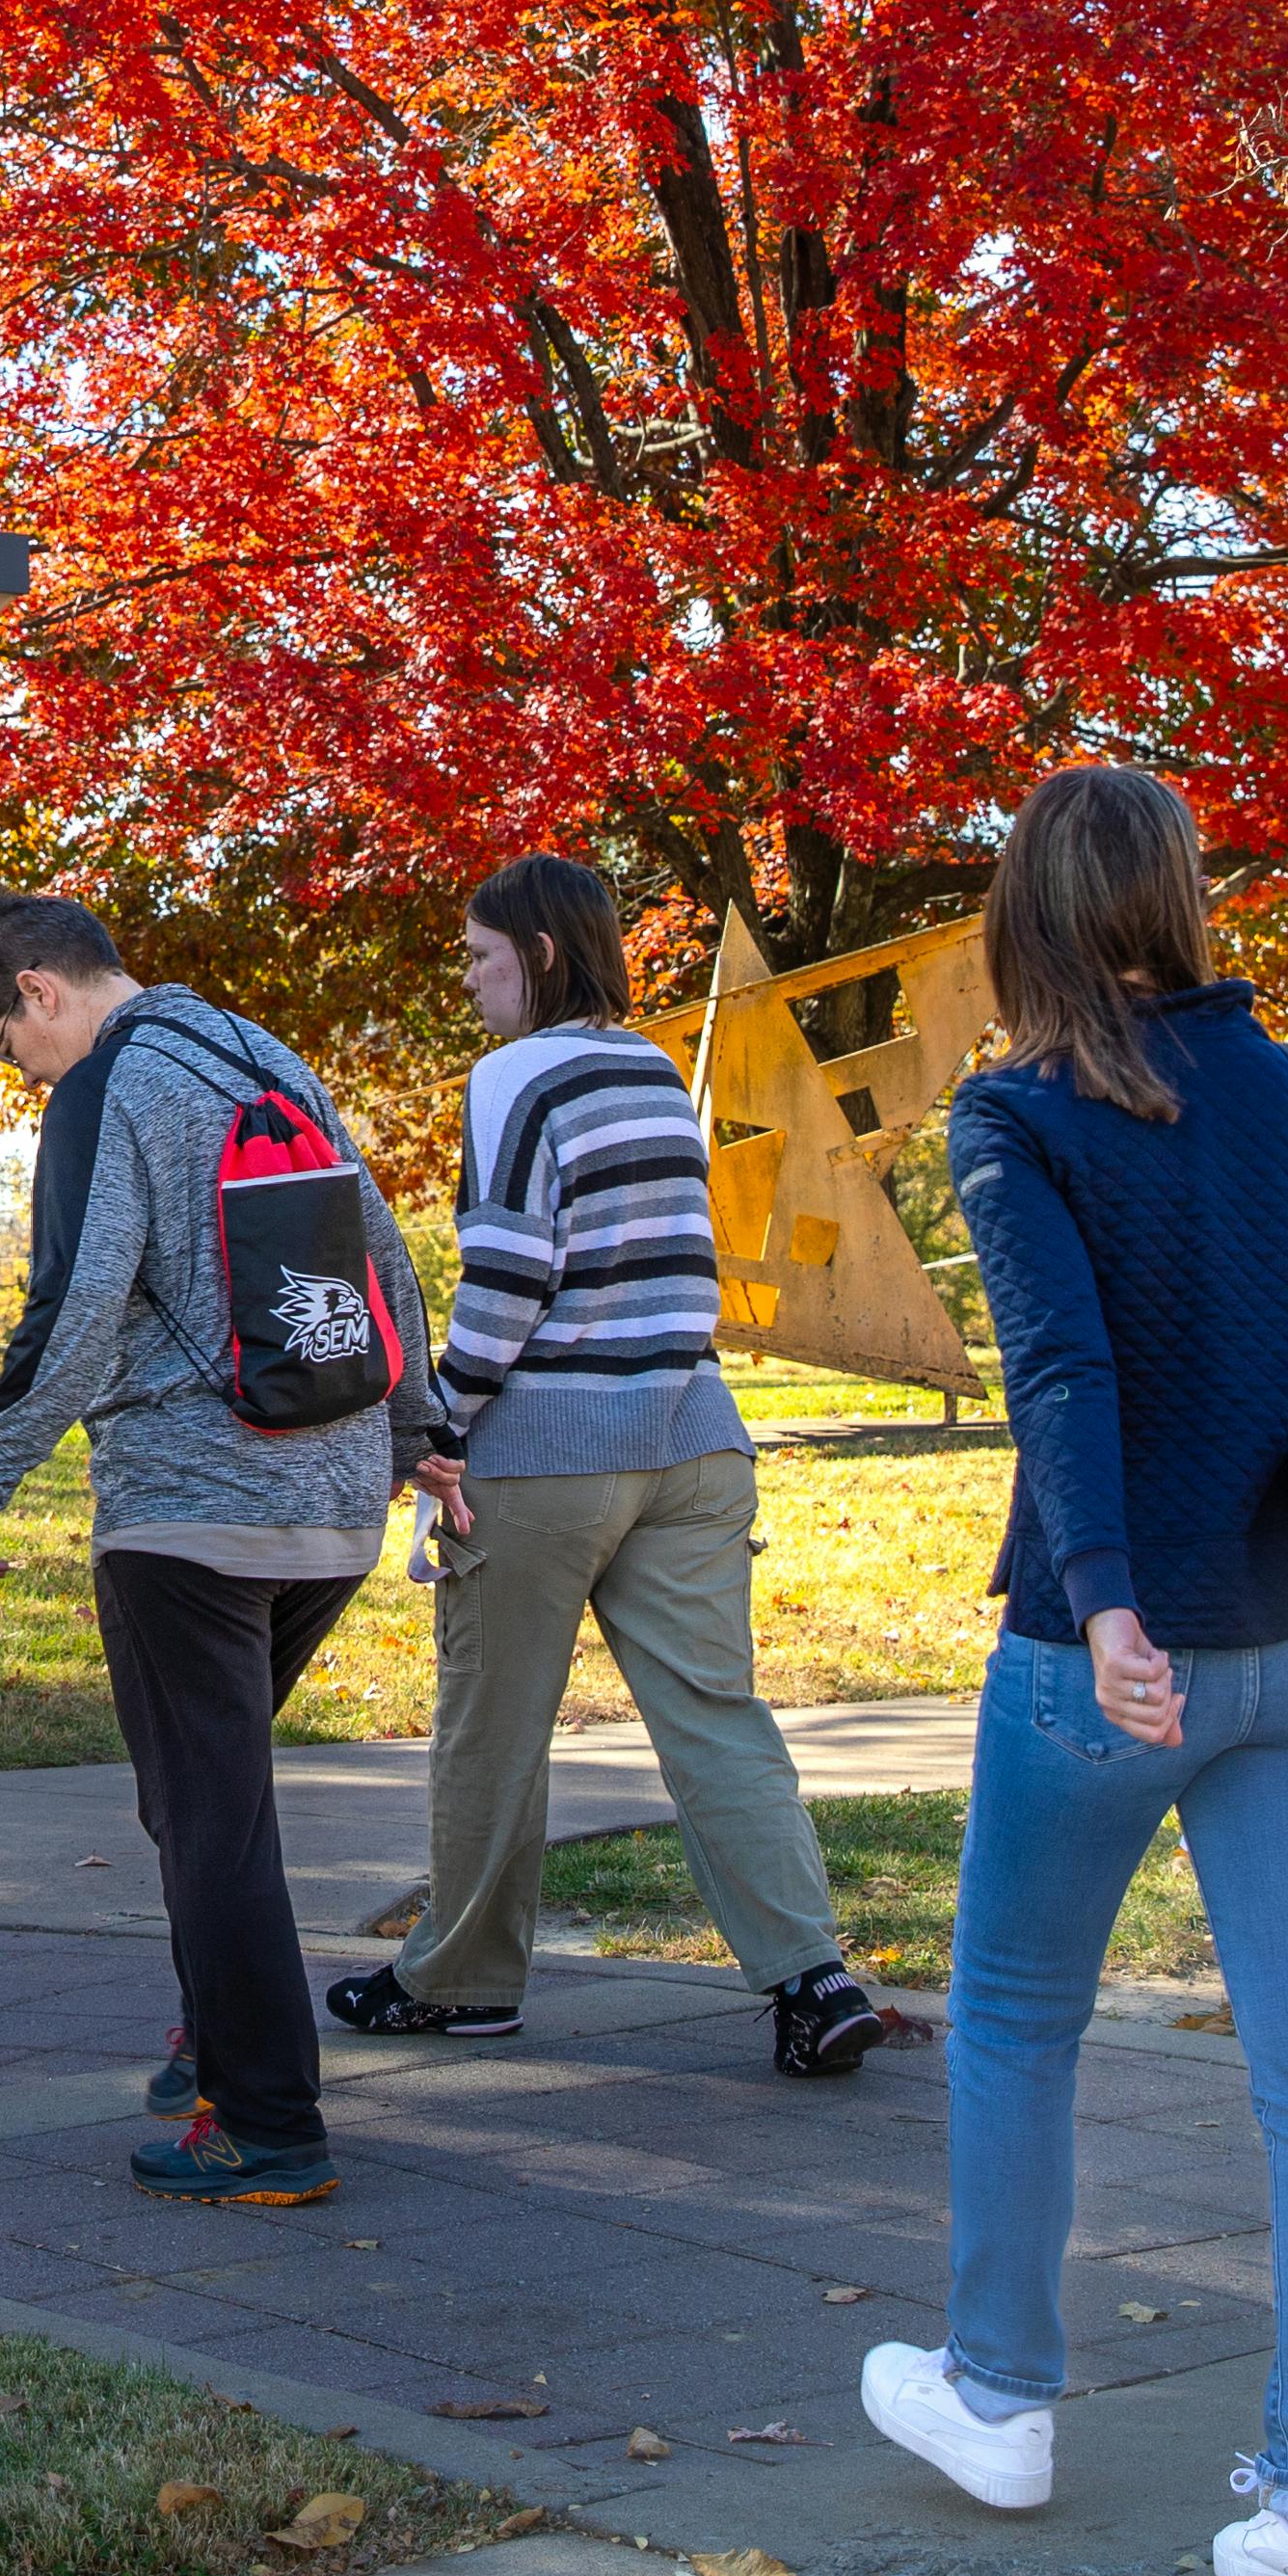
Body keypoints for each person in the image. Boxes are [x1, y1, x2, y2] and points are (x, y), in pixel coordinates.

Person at [860, 765, 1288, 2576]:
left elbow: (1063, 1369)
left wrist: (1106, 1605)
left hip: (1123, 1655)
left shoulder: (1017, 1110)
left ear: (1028, 915)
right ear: (1180, 898)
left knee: (1018, 2014)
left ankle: (1001, 2394)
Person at [0, 894, 445, 2209]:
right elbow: (383, 1252)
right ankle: (215, 2038)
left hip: (188, 1514)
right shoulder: (264, 1053)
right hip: (328, 1503)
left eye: (2, 1041)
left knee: (211, 1817)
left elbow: (80, 1309)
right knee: (196, 1791)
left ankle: (266, 2124)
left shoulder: (110, 1086)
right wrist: (411, 1428)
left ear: (36, 991)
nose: (17, 1074)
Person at [328, 851, 893, 2077]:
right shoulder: (649, 1068)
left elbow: (513, 1275)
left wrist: (438, 1422)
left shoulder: (513, 1077)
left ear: (534, 956)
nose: (471, 983)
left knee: (493, 1728)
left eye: (481, 958)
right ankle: (812, 1978)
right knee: (718, 1722)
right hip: (691, 1439)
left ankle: (463, 1983)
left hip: (545, 1454)